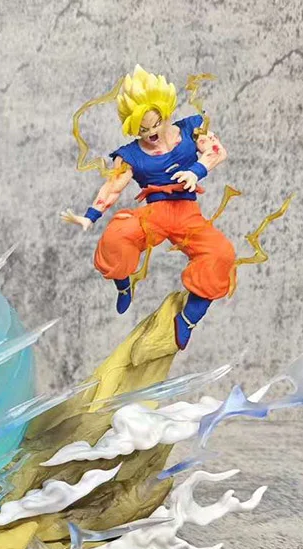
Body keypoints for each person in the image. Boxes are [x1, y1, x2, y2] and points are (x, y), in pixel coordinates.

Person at [62, 65, 233, 349]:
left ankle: (188, 318)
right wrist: (90, 216)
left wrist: (196, 171)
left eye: (156, 124)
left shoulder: (191, 130)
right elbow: (113, 186)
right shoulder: (131, 154)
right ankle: (123, 285)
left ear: (166, 114)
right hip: (154, 214)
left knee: (221, 253)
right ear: (132, 125)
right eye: (143, 129)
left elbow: (217, 151)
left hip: (187, 214)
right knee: (116, 236)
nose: (152, 132)